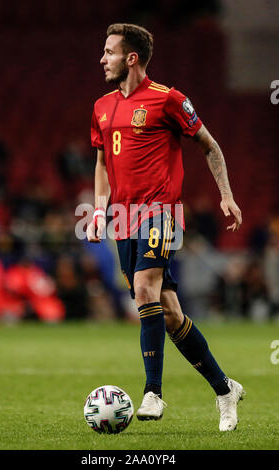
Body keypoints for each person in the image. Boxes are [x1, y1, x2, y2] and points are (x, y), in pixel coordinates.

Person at [86, 23, 245, 431]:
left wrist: (225, 194)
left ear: (131, 58)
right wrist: (100, 211)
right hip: (122, 218)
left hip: (162, 212)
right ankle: (225, 389)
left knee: (144, 290)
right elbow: (102, 162)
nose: (102, 59)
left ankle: (153, 392)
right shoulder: (102, 106)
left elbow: (209, 144)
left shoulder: (168, 99)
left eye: (110, 52)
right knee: (169, 313)